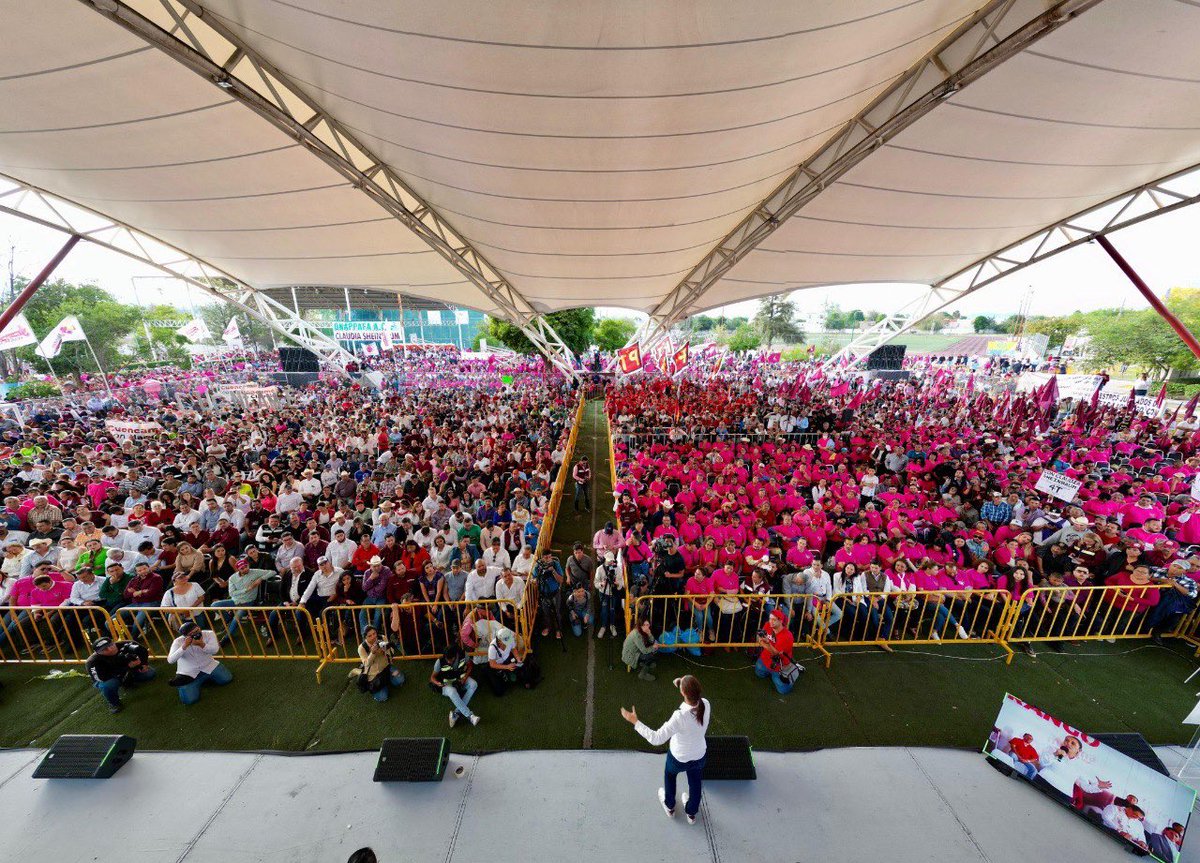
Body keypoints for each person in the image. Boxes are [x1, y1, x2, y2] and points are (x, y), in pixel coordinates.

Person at [620, 675, 710, 825]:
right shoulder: (706, 704)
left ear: (683, 693)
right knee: (695, 783)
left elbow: (656, 739)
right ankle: (691, 813)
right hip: (699, 755)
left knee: (670, 775)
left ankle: (670, 806)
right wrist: (681, 683)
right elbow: (691, 694)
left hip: (679, 758)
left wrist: (635, 721)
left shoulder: (679, 716)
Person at [166, 620, 233, 706]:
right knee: (190, 700)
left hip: (209, 665)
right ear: (185, 636)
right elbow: (170, 660)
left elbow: (215, 650)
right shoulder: (178, 642)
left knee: (227, 679)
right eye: (192, 633)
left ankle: (203, 679)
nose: (197, 633)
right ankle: (185, 683)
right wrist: (184, 647)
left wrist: (202, 644)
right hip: (188, 672)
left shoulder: (209, 634)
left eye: (197, 630)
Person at [85, 635, 155, 713]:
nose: (110, 649)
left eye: (111, 645)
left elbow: (143, 651)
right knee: (108, 685)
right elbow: (102, 678)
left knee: (150, 674)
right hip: (108, 677)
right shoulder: (92, 662)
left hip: (127, 669)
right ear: (98, 652)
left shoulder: (127, 644)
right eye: (105, 649)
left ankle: (128, 681)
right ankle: (114, 703)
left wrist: (144, 664)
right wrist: (127, 667)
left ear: (113, 642)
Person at [430, 641, 481, 727]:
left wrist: (465, 678)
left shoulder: (463, 654)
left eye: (451, 659)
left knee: (473, 684)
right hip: (446, 684)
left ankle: (456, 714)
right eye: (447, 659)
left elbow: (470, 666)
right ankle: (470, 716)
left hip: (460, 680)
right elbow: (432, 677)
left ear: (456, 655)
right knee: (452, 691)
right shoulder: (440, 661)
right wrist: (437, 683)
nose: (448, 661)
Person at [755, 608, 801, 695]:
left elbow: (775, 653)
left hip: (779, 666)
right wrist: (763, 642)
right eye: (770, 618)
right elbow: (759, 636)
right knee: (759, 673)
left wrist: (766, 643)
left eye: (774, 619)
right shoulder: (767, 625)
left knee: (783, 691)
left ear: (781, 621)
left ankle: (792, 671)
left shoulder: (787, 636)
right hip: (765, 659)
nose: (770, 621)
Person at [355, 626, 406, 702]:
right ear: (365, 637)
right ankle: (380, 685)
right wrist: (372, 653)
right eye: (369, 636)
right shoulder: (362, 648)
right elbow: (366, 664)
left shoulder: (382, 637)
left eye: (374, 633)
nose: (373, 637)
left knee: (401, 680)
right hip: (374, 675)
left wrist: (385, 651)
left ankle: (387, 681)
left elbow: (391, 652)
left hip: (387, 668)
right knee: (383, 698)